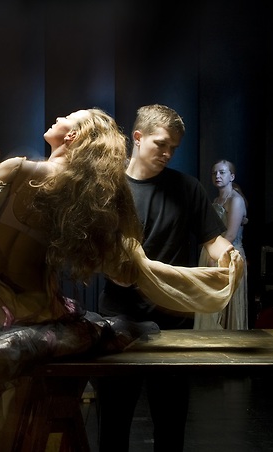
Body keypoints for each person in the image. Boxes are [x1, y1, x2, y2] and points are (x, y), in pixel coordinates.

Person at [0, 107, 243, 451]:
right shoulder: (89, 196)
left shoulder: (16, 170)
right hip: (39, 317)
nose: (58, 116)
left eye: (69, 116)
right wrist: (216, 277)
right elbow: (128, 270)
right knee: (22, 404)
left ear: (75, 136)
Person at [93, 104, 238, 452]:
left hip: (173, 318)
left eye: (174, 147)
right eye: (161, 144)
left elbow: (213, 240)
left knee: (171, 421)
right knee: (113, 420)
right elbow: (92, 250)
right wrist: (110, 267)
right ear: (138, 137)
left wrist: (229, 255)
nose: (168, 153)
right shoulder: (108, 188)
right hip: (119, 316)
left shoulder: (187, 188)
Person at [194, 159, 249, 330]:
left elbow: (230, 234)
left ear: (231, 176)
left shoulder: (235, 200)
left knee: (227, 305)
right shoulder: (216, 200)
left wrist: (215, 258)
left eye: (222, 172)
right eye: (214, 173)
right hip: (212, 253)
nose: (217, 175)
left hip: (227, 254)